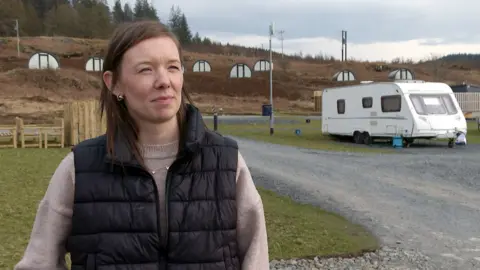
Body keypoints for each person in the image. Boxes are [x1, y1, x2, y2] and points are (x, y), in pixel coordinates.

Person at [14, 21, 269, 270]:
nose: (164, 81)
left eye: (172, 67)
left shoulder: (226, 162)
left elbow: (255, 258)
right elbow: (39, 261)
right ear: (113, 83)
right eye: (145, 69)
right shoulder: (79, 169)